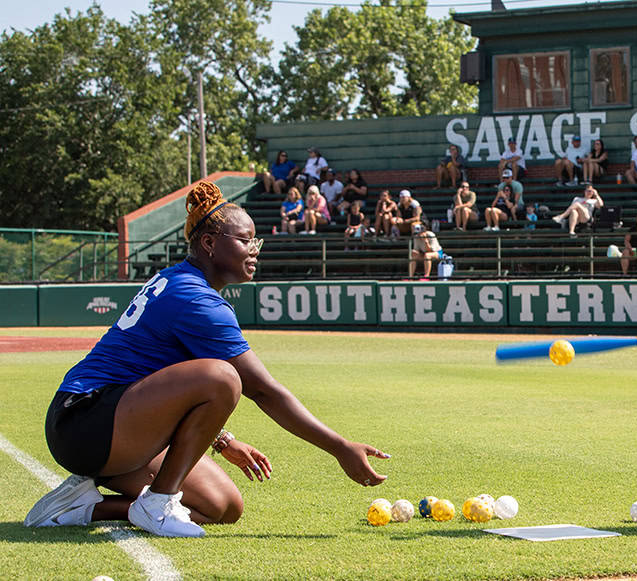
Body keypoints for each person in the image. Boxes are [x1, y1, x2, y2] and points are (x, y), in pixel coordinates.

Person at [23, 181, 389, 538]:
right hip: (85, 421)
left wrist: (223, 441)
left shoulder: (180, 281)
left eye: (255, 240)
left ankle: (81, 506)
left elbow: (166, 382)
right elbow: (262, 390)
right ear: (210, 243)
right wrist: (340, 448)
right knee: (225, 377)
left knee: (223, 506)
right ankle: (158, 502)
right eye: (245, 240)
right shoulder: (194, 298)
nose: (255, 249)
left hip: (113, 421)